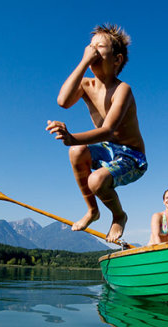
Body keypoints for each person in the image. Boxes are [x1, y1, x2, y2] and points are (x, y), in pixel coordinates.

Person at [46, 24, 146, 243]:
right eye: (90, 47)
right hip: (108, 149)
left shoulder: (122, 89)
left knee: (96, 180)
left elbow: (108, 130)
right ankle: (92, 211)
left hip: (132, 156)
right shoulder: (86, 84)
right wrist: (83, 62)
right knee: (76, 152)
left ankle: (119, 215)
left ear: (117, 59)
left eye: (99, 47)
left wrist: (71, 137)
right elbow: (63, 101)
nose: (92, 51)